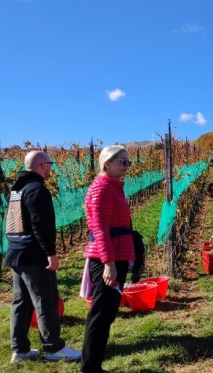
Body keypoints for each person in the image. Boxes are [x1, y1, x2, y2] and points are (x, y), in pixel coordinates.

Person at [5, 150, 82, 363]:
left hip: (17, 253)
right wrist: (51, 254)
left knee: (21, 302)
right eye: (50, 164)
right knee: (45, 300)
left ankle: (19, 350)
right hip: (34, 256)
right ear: (42, 166)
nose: (52, 168)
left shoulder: (16, 190)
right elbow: (41, 224)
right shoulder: (37, 189)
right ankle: (53, 348)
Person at [81, 145, 136, 373]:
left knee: (108, 312)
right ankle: (90, 367)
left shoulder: (114, 187)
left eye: (127, 162)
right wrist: (109, 263)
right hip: (108, 258)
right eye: (122, 161)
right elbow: (100, 229)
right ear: (107, 164)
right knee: (101, 314)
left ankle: (94, 364)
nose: (126, 165)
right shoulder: (102, 188)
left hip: (117, 255)